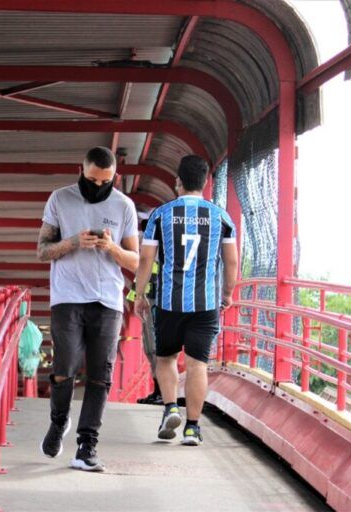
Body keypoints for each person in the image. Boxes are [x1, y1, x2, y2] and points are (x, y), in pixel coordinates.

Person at [37, 146, 139, 471]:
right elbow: (42, 250)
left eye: (105, 182)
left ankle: (87, 446)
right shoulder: (59, 199)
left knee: (100, 375)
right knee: (64, 366)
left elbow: (136, 261)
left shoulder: (125, 206)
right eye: (92, 180)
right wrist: (73, 242)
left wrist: (112, 248)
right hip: (67, 296)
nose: (98, 186)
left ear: (114, 178)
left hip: (108, 300)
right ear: (80, 171)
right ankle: (58, 420)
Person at [134, 155, 238, 446]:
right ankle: (192, 428)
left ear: (177, 181)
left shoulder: (160, 215)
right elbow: (231, 262)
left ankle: (170, 409)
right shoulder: (221, 217)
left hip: (169, 302)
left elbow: (145, 258)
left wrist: (139, 294)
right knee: (197, 364)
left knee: (165, 358)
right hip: (205, 303)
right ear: (204, 183)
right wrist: (227, 293)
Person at [129, 218, 162, 405]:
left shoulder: (149, 245)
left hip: (151, 299)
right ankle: (160, 392)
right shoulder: (167, 244)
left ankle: (161, 393)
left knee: (153, 348)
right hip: (158, 299)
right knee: (154, 349)